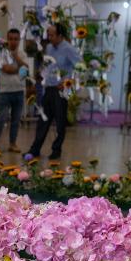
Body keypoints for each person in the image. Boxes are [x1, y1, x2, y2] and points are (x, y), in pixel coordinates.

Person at [26, 23, 81, 161]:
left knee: (60, 122)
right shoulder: (49, 47)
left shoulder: (69, 49)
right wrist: (40, 74)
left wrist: (69, 81)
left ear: (60, 35)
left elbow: (81, 67)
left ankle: (56, 150)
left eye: (52, 35)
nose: (49, 38)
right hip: (48, 89)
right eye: (48, 35)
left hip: (61, 90)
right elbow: (47, 64)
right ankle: (34, 150)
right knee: (43, 120)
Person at [0, 28, 29, 152]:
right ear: (7, 39)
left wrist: (16, 57)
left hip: (19, 91)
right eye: (11, 39)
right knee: (2, 118)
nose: (13, 41)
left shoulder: (22, 54)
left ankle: (12, 143)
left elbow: (26, 69)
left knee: (16, 120)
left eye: (16, 39)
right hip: (5, 92)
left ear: (19, 40)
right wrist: (20, 67)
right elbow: (7, 69)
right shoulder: (2, 53)